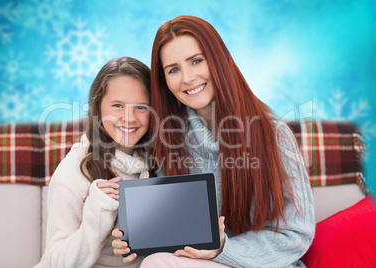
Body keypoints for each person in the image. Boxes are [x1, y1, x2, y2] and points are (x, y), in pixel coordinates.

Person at [112, 16, 315, 267]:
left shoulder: (274, 135)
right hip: (198, 263)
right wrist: (139, 239)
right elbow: (177, 232)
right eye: (173, 69)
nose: (187, 77)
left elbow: (296, 234)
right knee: (155, 260)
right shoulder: (169, 138)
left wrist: (222, 249)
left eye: (196, 61)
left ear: (218, 60)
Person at [34, 56, 154, 268]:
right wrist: (96, 214)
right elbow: (54, 262)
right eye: (118, 105)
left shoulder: (156, 160)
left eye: (141, 107)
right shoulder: (74, 171)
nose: (129, 118)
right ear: (98, 109)